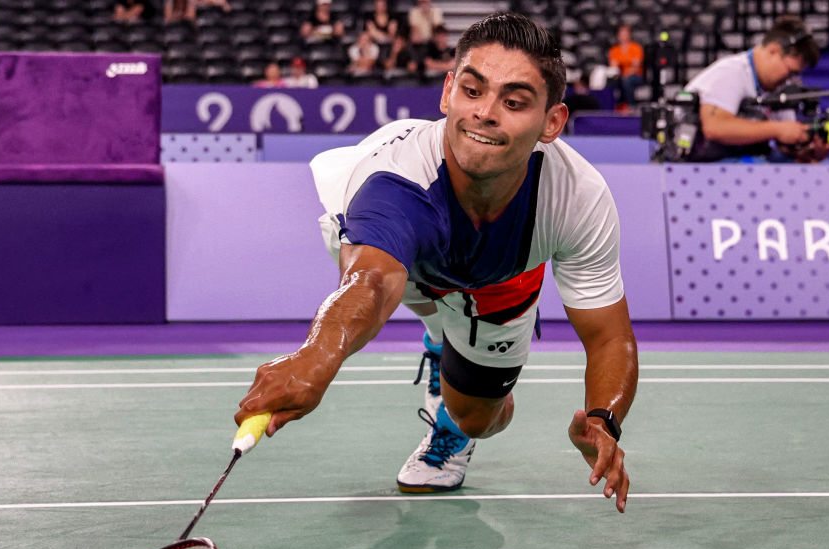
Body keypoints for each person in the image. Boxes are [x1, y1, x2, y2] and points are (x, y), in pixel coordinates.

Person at [235, 12, 636, 513]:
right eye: (472, 91)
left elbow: (609, 336)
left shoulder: (576, 196)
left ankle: (452, 397)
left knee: (479, 420)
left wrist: (603, 419)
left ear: (551, 123)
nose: (485, 113)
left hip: (499, 277)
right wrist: (317, 358)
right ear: (447, 93)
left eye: (513, 103)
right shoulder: (395, 177)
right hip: (405, 260)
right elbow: (371, 281)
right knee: (400, 286)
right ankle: (439, 333)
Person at [683, 15, 829, 163]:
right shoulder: (731, 72)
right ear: (773, 51)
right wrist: (778, 130)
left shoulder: (779, 88)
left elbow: (782, 152)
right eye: (790, 71)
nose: (790, 79)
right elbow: (715, 127)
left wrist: (808, 154)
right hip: (698, 167)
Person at [608, 24, 643, 111]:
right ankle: (613, 108)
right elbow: (613, 66)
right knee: (612, 82)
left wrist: (625, 71)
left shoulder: (636, 48)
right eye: (621, 34)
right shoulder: (614, 50)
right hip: (620, 76)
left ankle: (631, 107)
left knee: (627, 81)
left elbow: (636, 66)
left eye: (625, 34)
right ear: (618, 36)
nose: (623, 36)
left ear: (629, 35)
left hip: (636, 76)